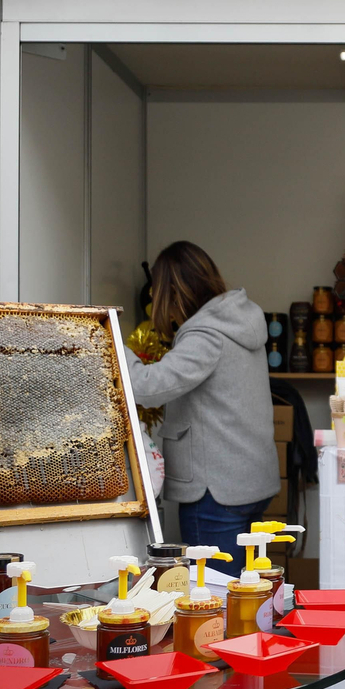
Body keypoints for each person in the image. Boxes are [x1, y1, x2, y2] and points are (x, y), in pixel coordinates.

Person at [125, 241, 279, 566]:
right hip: (249, 483)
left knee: (214, 597)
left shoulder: (206, 335)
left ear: (172, 292)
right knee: (244, 592)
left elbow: (148, 388)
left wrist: (109, 339)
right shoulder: (240, 321)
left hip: (216, 491)